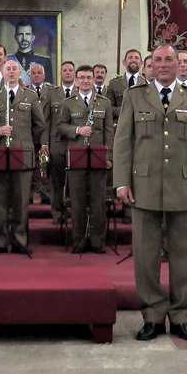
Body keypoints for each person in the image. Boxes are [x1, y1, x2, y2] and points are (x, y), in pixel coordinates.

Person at [114, 44, 187, 342]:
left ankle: (181, 316)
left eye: (170, 59)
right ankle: (153, 315)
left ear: (179, 64)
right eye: (158, 60)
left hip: (184, 184)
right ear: (149, 65)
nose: (165, 64)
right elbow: (123, 142)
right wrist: (121, 181)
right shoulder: (134, 95)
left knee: (183, 255)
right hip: (143, 187)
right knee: (146, 255)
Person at [0, 59, 45, 252]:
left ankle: (19, 240)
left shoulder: (30, 96)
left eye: (14, 69)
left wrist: (24, 142)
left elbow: (40, 125)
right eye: (7, 69)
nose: (11, 72)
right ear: (2, 71)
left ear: (20, 73)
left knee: (21, 200)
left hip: (22, 155)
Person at [57, 65, 114, 253]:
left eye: (88, 77)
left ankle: (98, 242)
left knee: (98, 203)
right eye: (81, 77)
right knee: (78, 203)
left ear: (93, 79)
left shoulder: (104, 102)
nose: (85, 81)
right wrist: (77, 130)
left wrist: (109, 156)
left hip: (98, 159)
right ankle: (79, 241)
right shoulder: (68, 103)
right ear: (76, 79)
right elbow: (60, 127)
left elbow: (109, 132)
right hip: (76, 159)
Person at [40, 60, 76, 224]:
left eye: (70, 70)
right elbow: (45, 121)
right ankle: (57, 213)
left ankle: (74, 213)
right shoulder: (51, 93)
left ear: (74, 73)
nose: (68, 72)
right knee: (57, 181)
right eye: (65, 70)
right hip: (56, 143)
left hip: (76, 143)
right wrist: (44, 144)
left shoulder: (80, 91)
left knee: (75, 181)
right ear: (60, 74)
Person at [106, 49, 144, 118]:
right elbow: (108, 108)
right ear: (124, 62)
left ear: (141, 63)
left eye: (136, 58)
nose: (133, 60)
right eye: (130, 57)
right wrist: (125, 110)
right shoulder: (114, 83)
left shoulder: (147, 83)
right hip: (120, 124)